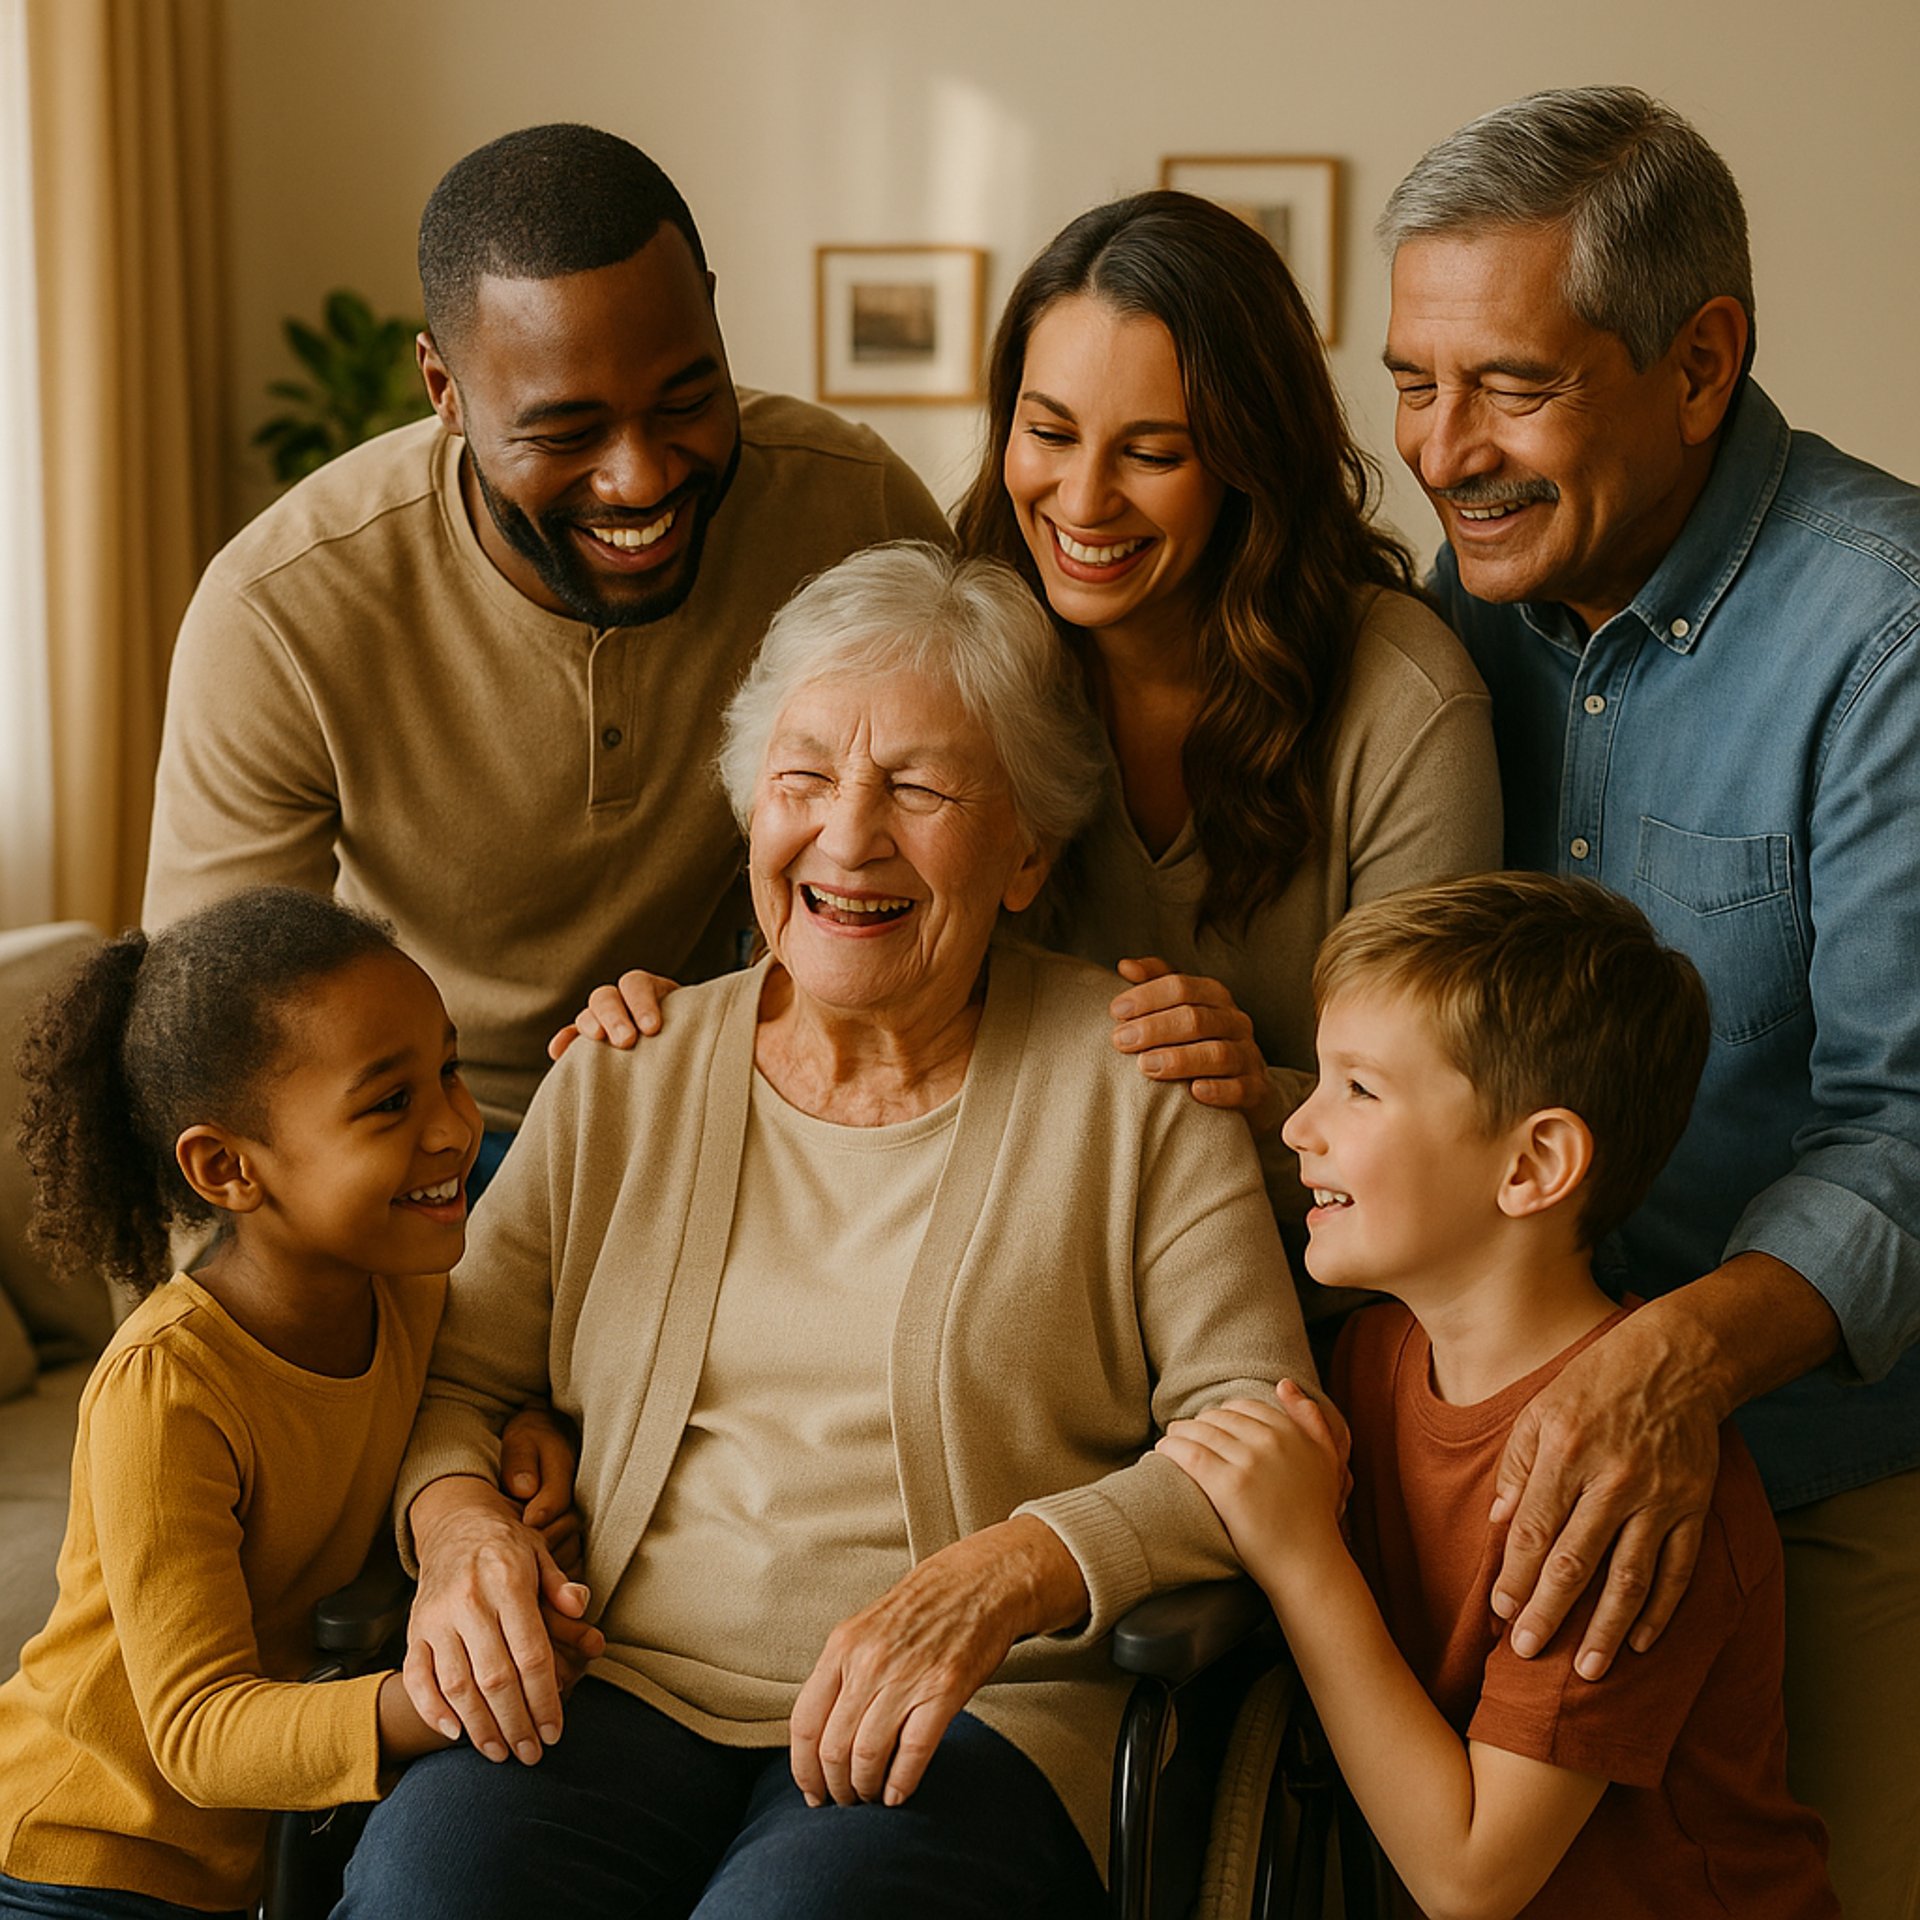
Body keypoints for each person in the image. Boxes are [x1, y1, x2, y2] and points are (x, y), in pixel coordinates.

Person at [336, 544, 1312, 1920]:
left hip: (969, 1722)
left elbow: (1260, 1433)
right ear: (751, 810)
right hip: (610, 1678)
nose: (848, 836)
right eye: (802, 778)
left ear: (1028, 847)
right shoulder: (629, 1066)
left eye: (916, 787)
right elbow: (457, 1379)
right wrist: (460, 1535)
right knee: (432, 1892)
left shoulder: (1137, 1085)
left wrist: (1009, 1569)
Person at [1378, 85, 1920, 1915]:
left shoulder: (1889, 629)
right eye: (1412, 384)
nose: (1443, 455)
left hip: (1820, 1483)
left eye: (1508, 388)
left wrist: (1668, 1364)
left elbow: (1910, 1128)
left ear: (1702, 362)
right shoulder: (1468, 600)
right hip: (1499, 1482)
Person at [565, 190, 1502, 1229]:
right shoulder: (964, 654)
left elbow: (1435, 1133)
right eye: (1048, 431)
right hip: (1004, 1247)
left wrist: (1251, 1096)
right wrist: (676, 1032)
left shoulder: (1407, 703)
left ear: (1253, 463)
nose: (1083, 499)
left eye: (1152, 453)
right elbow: (835, 950)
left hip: (1314, 1272)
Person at [142, 124, 949, 1193]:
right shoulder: (282, 612)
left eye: (686, 401)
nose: (642, 479)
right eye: (565, 433)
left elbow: (986, 821)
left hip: (744, 1095)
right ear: (444, 388)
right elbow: (211, 1052)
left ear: (711, 309)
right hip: (434, 1135)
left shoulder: (853, 508)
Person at [1162, 874, 1837, 1919]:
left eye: (1360, 1089)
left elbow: (1473, 1877)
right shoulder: (1374, 1359)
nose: (1299, 1125)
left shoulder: (1617, 1479)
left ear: (1533, 1165)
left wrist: (1302, 1558)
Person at [0, 889, 499, 1917]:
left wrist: (520, 1437)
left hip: (232, 1875)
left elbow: (469, 1401)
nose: (456, 1127)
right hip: (70, 1856)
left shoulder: (411, 1284)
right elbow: (197, 1731)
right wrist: (432, 1703)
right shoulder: (166, 1389)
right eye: (389, 1104)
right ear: (227, 1167)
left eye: (447, 1069)